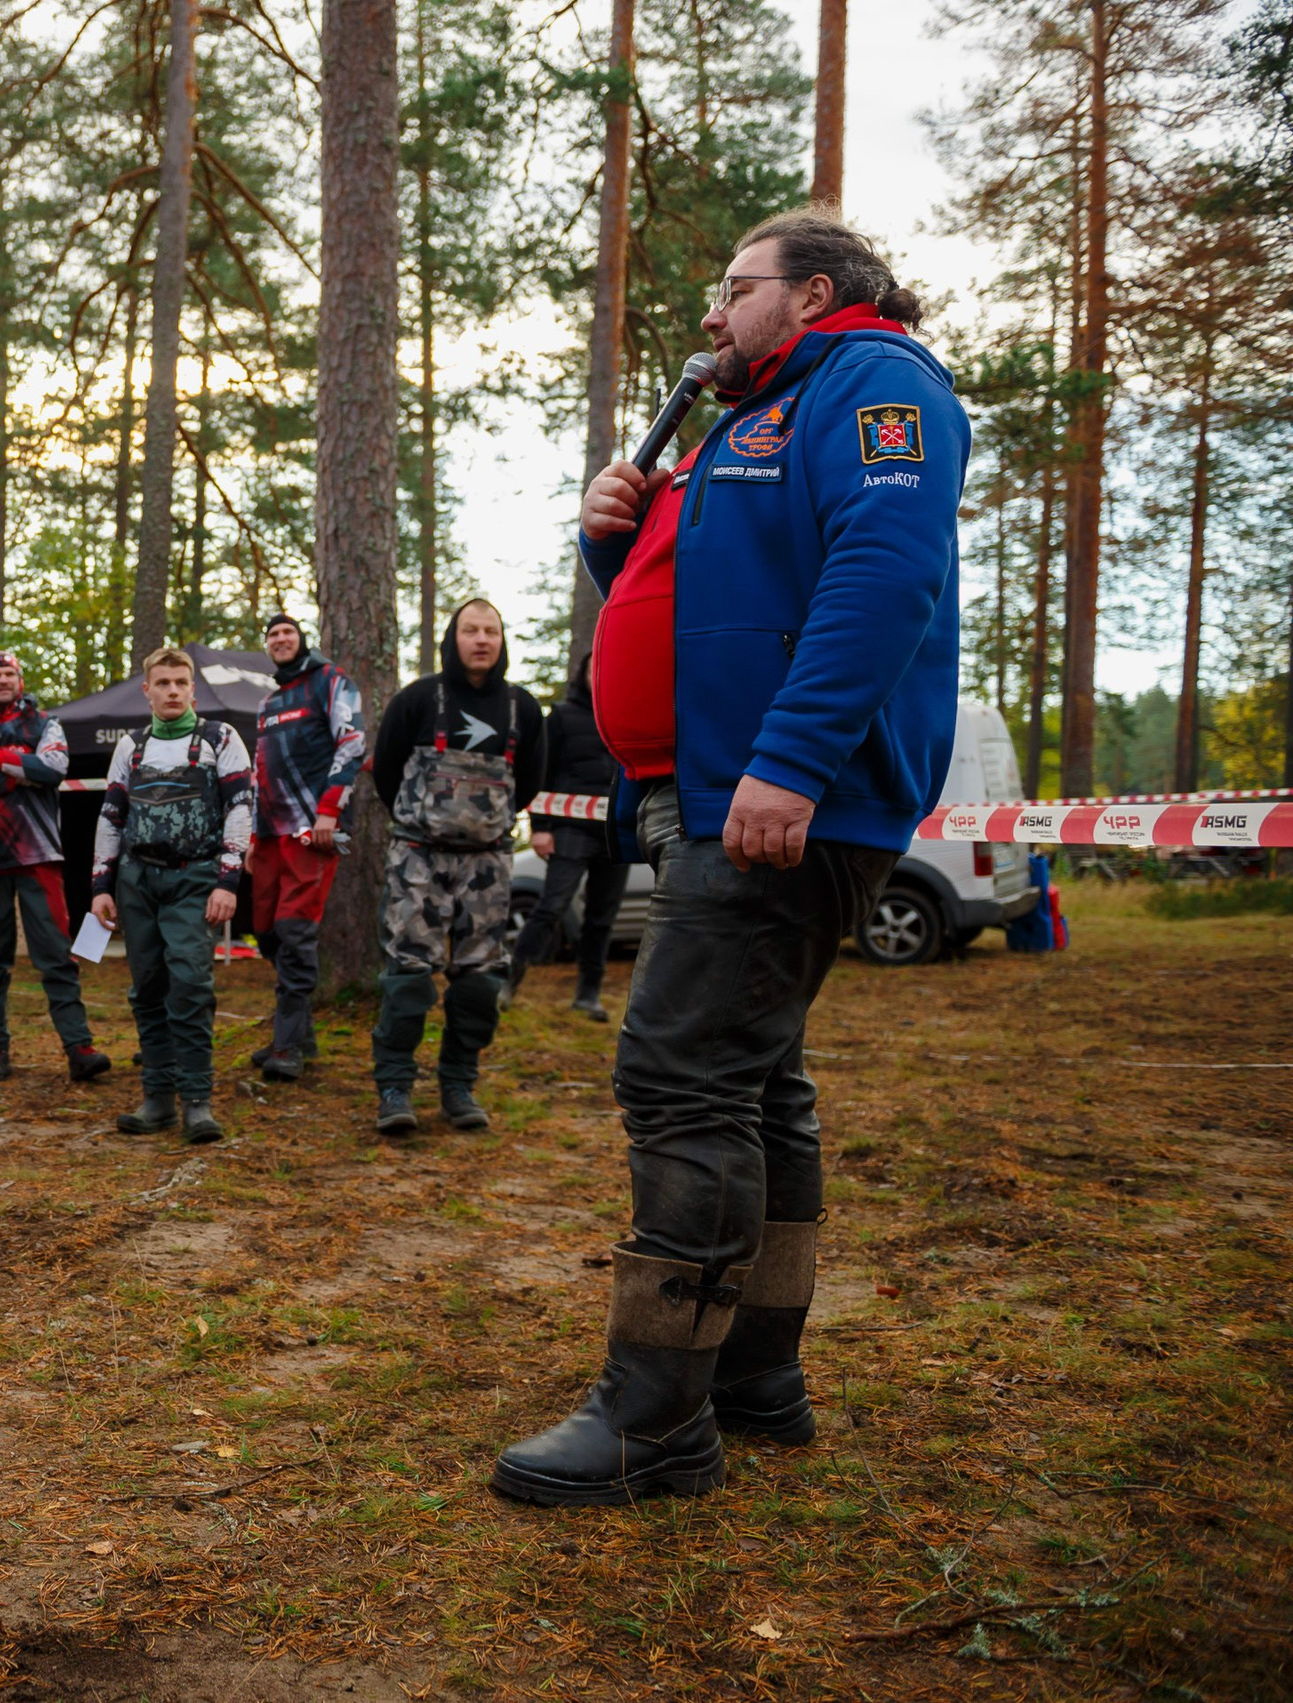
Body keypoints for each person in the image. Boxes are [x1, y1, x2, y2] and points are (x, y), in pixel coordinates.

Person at [493, 210, 967, 1507]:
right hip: (697, 792)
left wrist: (795, 758)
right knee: (756, 1084)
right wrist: (613, 537)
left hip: (769, 798)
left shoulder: (874, 382)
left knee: (681, 1072)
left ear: (812, 293)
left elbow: (885, 567)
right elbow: (696, 589)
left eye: (735, 286)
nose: (711, 313)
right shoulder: (751, 416)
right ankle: (755, 1378)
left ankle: (654, 1420)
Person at [368, 599, 545, 1137]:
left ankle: (458, 1085)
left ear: (501, 639)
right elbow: (386, 772)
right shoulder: (419, 699)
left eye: (491, 630)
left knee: (479, 983)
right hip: (418, 861)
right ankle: (395, 1088)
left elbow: (532, 781)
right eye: (471, 630)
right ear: (455, 637)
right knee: (408, 980)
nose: (481, 639)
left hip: (488, 868)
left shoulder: (523, 708)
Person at [89, 648, 254, 1144]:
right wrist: (101, 885)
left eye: (181, 682)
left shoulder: (219, 738)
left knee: (189, 984)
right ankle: (157, 1099)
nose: (173, 691)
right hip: (137, 882)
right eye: (162, 683)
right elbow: (110, 817)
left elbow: (241, 808)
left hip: (195, 879)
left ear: (193, 689)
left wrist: (228, 880)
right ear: (148, 690)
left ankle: (197, 1102)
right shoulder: (130, 747)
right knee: (148, 990)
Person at [0, 651, 111, 1086]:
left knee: (55, 954)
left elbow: (54, 768)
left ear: (20, 679)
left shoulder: (46, 725)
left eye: (9, 674)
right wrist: (14, 769)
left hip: (39, 854)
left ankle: (79, 1047)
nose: (2, 680)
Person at [247, 613, 365, 1079]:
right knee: (267, 931)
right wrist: (254, 837)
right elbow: (260, 770)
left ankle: (287, 1046)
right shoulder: (269, 702)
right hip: (271, 836)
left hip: (312, 830)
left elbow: (353, 743)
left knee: (295, 934)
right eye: (272, 635)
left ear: (301, 641)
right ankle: (298, 1033)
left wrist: (330, 809)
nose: (280, 639)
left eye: (287, 633)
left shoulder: (331, 681)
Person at [506, 664, 628, 1022]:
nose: (599, 674)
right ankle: (508, 982)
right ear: (582, 675)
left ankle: (588, 996)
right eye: (593, 669)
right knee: (551, 907)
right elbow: (539, 769)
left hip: (614, 833)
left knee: (602, 918)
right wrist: (541, 827)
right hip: (569, 830)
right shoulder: (560, 716)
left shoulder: (625, 714)